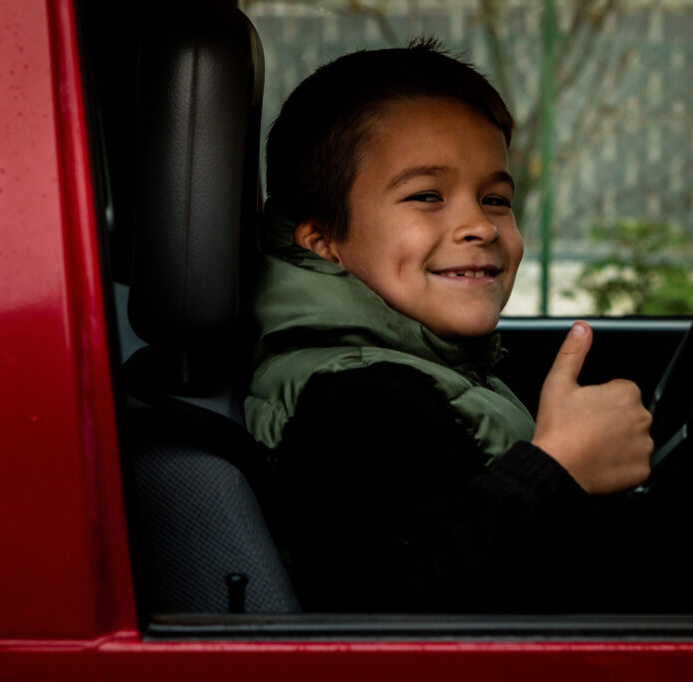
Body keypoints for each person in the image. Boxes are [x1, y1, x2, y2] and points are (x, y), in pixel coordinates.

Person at [245, 38, 653, 612]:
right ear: (323, 241)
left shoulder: (422, 369)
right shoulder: (358, 401)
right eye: (427, 195)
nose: (480, 226)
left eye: (496, 199)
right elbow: (394, 621)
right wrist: (556, 471)